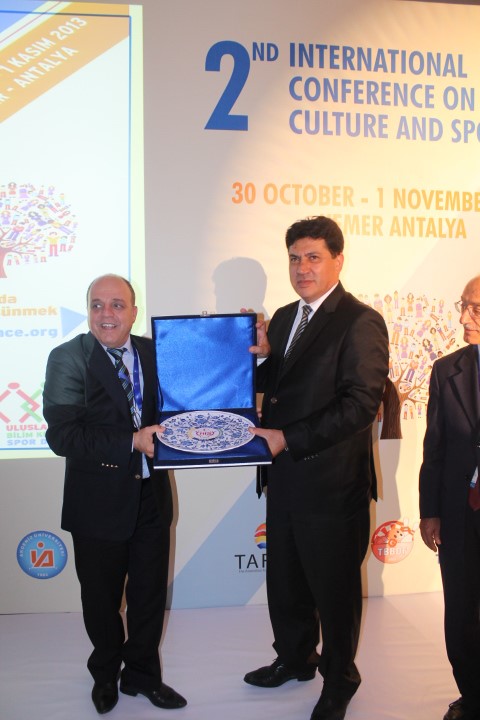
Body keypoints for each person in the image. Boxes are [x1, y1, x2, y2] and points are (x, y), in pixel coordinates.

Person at [244, 216, 389, 720]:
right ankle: (294, 659)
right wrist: (253, 354)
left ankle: (340, 678)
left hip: (332, 485)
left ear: (337, 261)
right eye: (294, 258)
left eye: (313, 257)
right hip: (284, 477)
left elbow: (360, 404)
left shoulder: (360, 321)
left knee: (334, 590)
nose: (302, 268)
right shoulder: (285, 317)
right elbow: (280, 383)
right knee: (286, 582)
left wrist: (288, 437)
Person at [43, 274, 186, 715]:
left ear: (134, 312)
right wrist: (130, 442)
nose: (106, 314)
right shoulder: (68, 358)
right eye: (97, 305)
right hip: (96, 503)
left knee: (148, 596)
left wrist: (248, 354)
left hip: (151, 498)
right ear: (88, 310)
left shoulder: (153, 351)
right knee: (101, 602)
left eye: (117, 305)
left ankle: (142, 676)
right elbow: (62, 435)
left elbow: (193, 395)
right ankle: (105, 674)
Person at [419, 275, 480, 720]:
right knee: (460, 610)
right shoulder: (447, 370)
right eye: (463, 305)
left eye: (475, 308)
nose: (464, 317)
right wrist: (430, 511)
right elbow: (434, 448)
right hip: (460, 513)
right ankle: (473, 696)